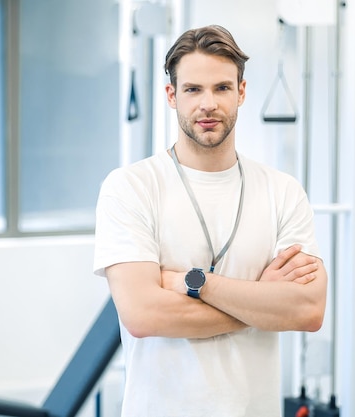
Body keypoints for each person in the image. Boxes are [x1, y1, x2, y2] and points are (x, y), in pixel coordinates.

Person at [93, 24, 327, 417]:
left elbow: (307, 311)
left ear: (241, 92)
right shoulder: (130, 187)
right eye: (192, 89)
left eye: (221, 88)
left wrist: (191, 282)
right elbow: (143, 315)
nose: (208, 104)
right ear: (172, 96)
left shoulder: (283, 191)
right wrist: (259, 302)